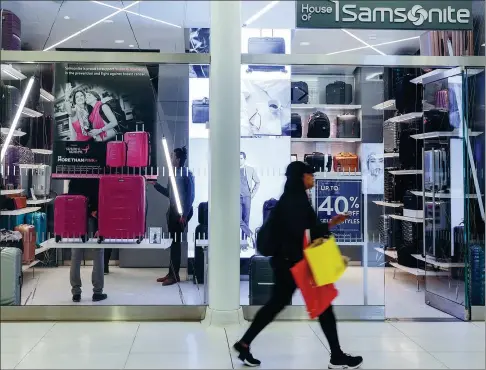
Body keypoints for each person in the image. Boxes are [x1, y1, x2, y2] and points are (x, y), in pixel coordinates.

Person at [233, 161, 363, 369]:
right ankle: (337, 356)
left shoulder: (294, 198)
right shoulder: (295, 201)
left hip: (289, 262)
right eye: (309, 174)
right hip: (293, 263)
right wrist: (330, 225)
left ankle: (244, 343)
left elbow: (305, 229)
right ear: (301, 177)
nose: (312, 178)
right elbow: (301, 232)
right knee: (322, 305)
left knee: (278, 304)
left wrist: (329, 224)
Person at [153, 147, 195, 286]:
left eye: (172, 156)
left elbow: (190, 196)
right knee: (173, 244)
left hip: (180, 214)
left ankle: (174, 275)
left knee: (176, 244)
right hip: (172, 213)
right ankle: (171, 273)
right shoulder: (173, 174)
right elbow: (169, 194)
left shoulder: (186, 174)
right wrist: (155, 185)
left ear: (177, 159)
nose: (170, 158)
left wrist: (185, 214)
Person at [68, 179, 108, 303]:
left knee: (76, 255)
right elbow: (102, 198)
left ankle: (76, 293)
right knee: (98, 253)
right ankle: (97, 292)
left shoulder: (73, 178)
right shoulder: (98, 177)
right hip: (95, 217)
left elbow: (71, 199)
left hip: (78, 218)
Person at [240, 151, 260, 249]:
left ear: (244, 159)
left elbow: (257, 182)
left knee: (246, 220)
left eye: (241, 159)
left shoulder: (250, 170)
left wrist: (252, 194)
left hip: (247, 197)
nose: (239, 161)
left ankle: (244, 245)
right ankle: (251, 235)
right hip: (236, 198)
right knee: (238, 220)